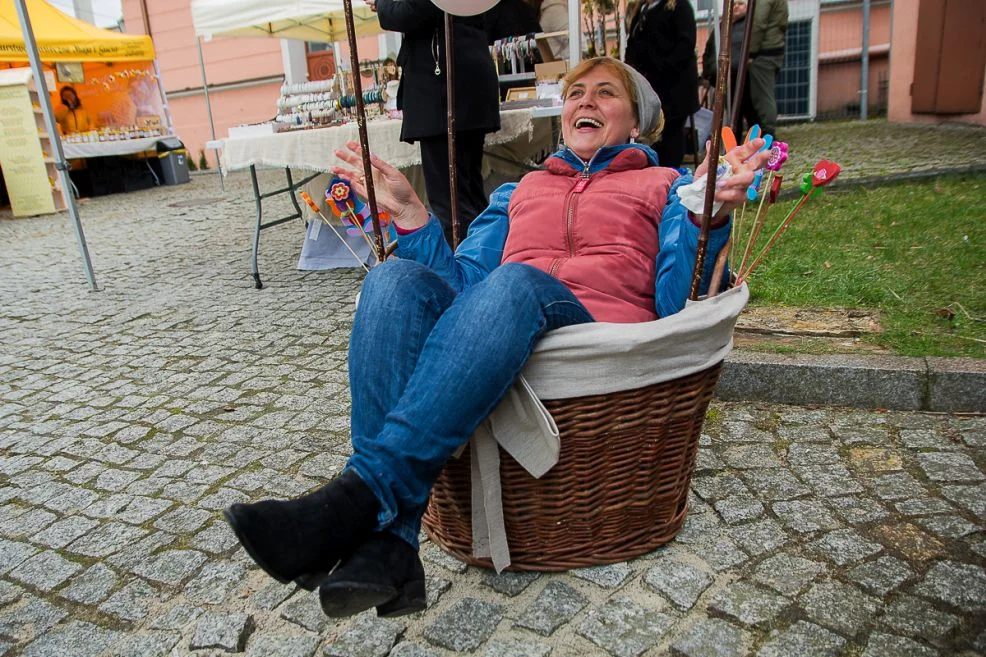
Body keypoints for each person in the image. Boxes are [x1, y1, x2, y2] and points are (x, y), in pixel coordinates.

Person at [224, 57, 767, 621]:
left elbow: (679, 302)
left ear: (638, 121)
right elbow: (461, 287)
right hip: (503, 318)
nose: (584, 102)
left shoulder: (668, 186)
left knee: (516, 281)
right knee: (390, 279)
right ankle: (388, 549)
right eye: (576, 93)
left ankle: (354, 501)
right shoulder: (519, 191)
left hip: (593, 324)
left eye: (606, 93)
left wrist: (710, 219)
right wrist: (413, 216)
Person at [367, 0, 501, 246]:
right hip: (460, 87)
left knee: (451, 201)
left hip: (445, 93)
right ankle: (485, 258)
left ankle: (466, 268)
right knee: (466, 193)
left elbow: (410, 12)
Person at [624, 0, 700, 169]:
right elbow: (633, 44)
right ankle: (657, 173)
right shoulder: (642, 10)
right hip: (651, 86)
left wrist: (662, 67)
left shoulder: (678, 7)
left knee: (670, 135)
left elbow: (686, 45)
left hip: (674, 88)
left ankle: (670, 174)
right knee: (654, 135)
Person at [702, 0, 787, 137]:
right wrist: (708, 72)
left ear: (748, 7)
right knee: (732, 116)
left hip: (742, 76)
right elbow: (709, 49)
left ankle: (761, 141)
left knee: (750, 111)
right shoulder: (722, 26)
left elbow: (747, 47)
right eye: (733, 4)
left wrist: (748, 57)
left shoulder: (749, 27)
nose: (736, 7)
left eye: (740, 4)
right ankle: (737, 144)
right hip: (724, 78)